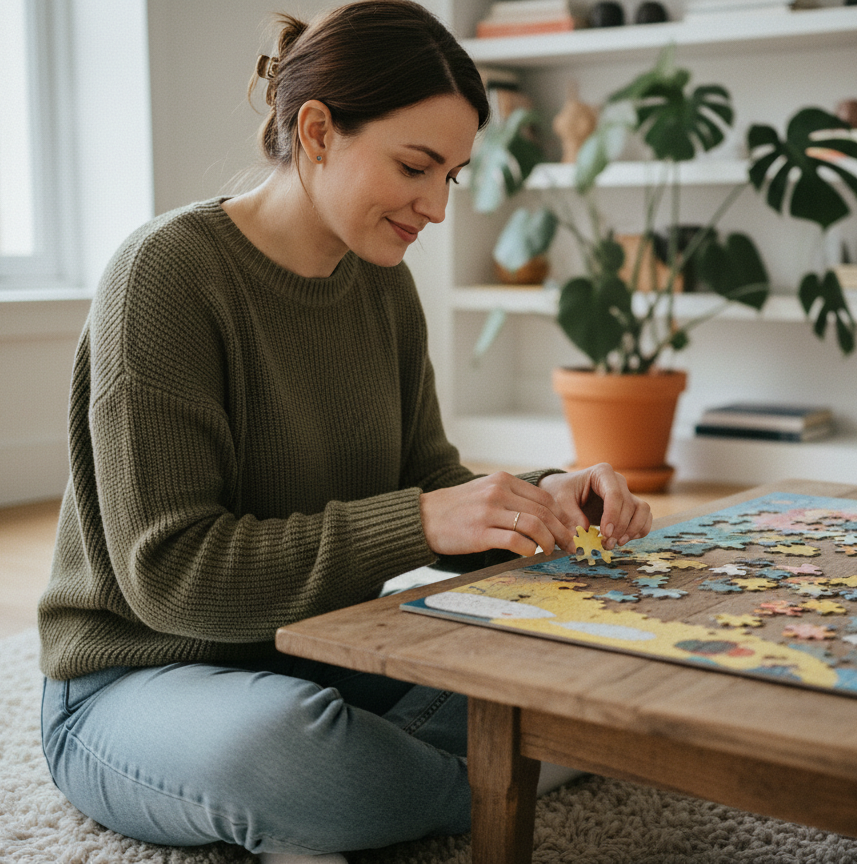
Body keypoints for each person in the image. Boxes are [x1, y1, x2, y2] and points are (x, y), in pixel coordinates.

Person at [37, 2, 652, 862]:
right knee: (285, 747)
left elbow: (428, 476)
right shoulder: (166, 277)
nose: (437, 206)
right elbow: (169, 577)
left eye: (455, 176)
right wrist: (425, 521)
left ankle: (461, 772)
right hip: (140, 678)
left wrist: (539, 499)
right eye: (416, 166)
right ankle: (509, 771)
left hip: (323, 650)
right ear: (318, 131)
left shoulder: (380, 283)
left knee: (577, 653)